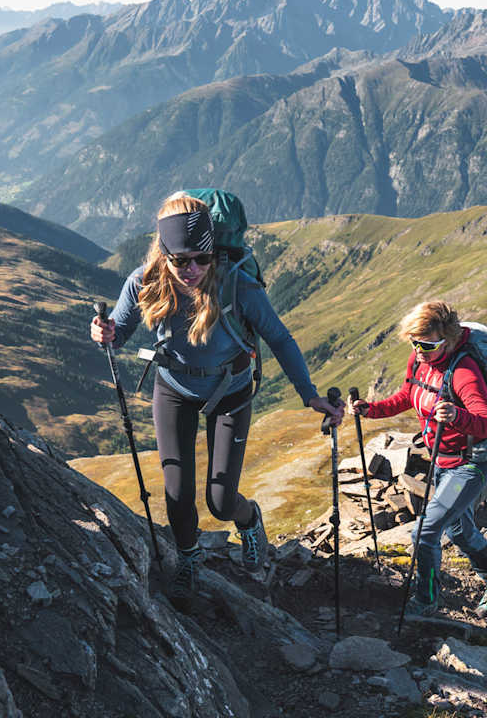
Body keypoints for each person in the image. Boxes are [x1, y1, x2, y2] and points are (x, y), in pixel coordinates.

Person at [90, 192, 341, 608]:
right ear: (164, 253)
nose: (192, 270)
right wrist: (101, 333)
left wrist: (309, 395)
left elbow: (279, 337)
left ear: (213, 253)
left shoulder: (236, 284)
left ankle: (250, 521)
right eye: (181, 260)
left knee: (221, 501)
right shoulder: (144, 281)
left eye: (201, 260)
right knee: (177, 492)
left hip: (232, 390)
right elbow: (116, 329)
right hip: (173, 388)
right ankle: (189, 559)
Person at [347, 301, 487, 618]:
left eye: (427, 344)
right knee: (456, 529)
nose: (419, 350)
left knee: (424, 533)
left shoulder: (465, 373)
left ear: (450, 340)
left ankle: (424, 602)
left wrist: (455, 416)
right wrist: (370, 409)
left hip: (470, 465)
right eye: (414, 343)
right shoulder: (419, 361)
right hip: (442, 460)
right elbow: (406, 397)